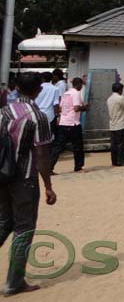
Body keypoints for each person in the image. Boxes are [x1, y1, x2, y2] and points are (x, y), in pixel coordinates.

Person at [0, 73, 57, 296]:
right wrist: (49, 186)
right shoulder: (37, 117)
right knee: (23, 228)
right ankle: (14, 281)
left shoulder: (3, 112)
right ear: (38, 90)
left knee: (4, 222)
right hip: (24, 178)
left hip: (1, 176)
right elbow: (42, 155)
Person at [50, 77, 87, 173]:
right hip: (73, 123)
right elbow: (76, 108)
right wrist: (84, 107)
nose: (81, 87)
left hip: (63, 122)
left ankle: (49, 167)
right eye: (81, 85)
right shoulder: (76, 93)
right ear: (79, 85)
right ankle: (78, 167)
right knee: (78, 146)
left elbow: (60, 108)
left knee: (58, 146)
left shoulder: (65, 93)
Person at [33, 71, 60, 137]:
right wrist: (58, 115)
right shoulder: (55, 89)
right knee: (49, 135)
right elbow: (56, 103)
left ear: (42, 78)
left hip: (36, 114)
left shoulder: (37, 88)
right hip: (50, 115)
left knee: (37, 134)